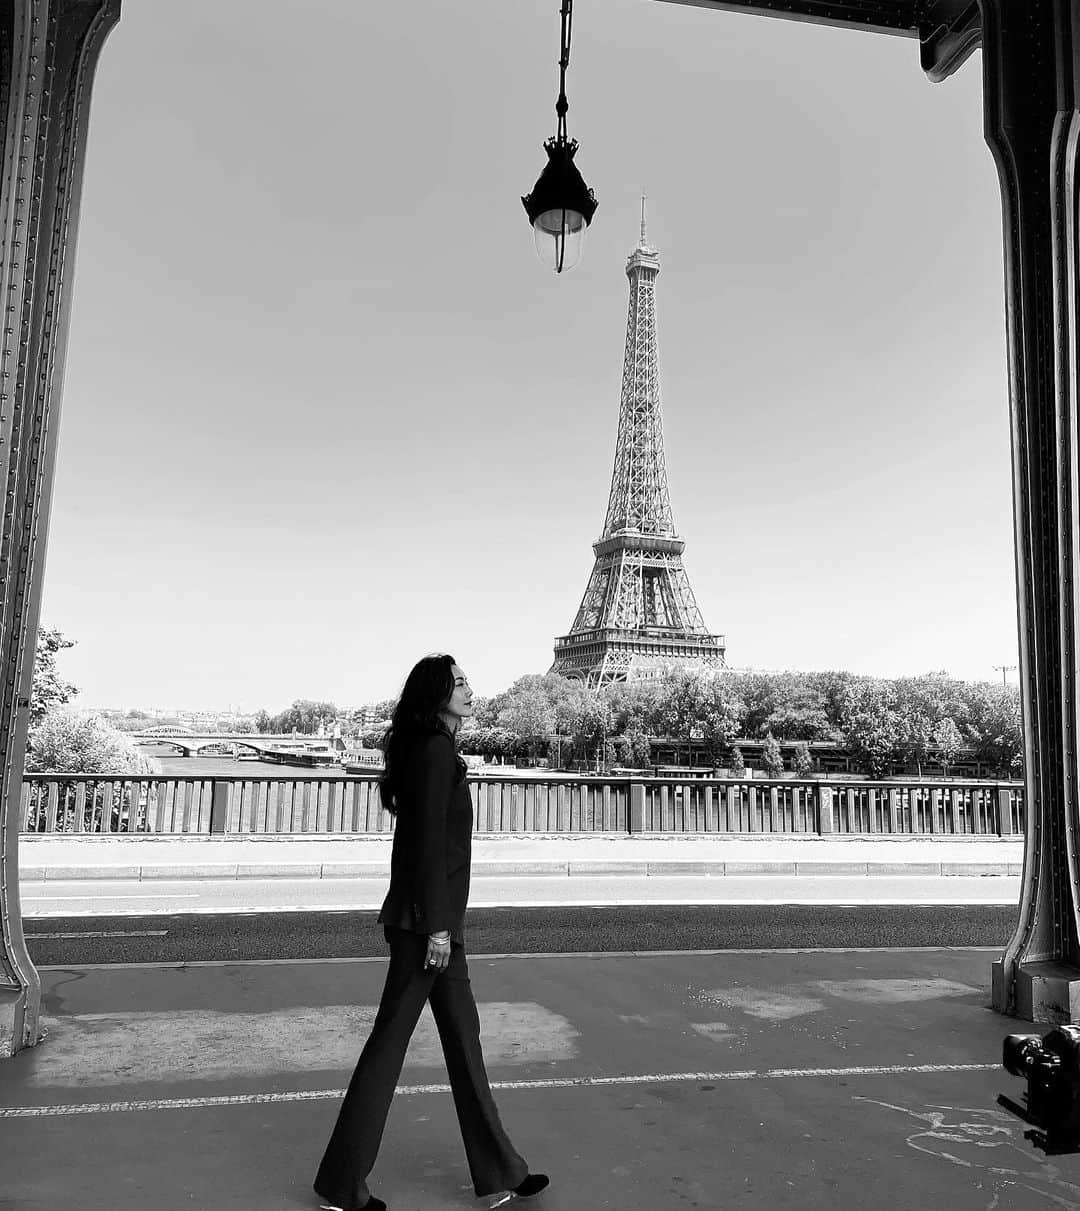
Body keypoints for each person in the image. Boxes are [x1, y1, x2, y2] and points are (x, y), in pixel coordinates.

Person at [313, 654, 549, 1211]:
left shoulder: (431, 749)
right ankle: (342, 1185)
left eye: (467, 680)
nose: (470, 689)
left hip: (438, 925)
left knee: (465, 1047)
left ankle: (499, 1174)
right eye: (459, 682)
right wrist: (438, 928)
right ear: (435, 694)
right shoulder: (437, 752)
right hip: (429, 930)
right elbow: (424, 848)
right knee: (389, 1048)